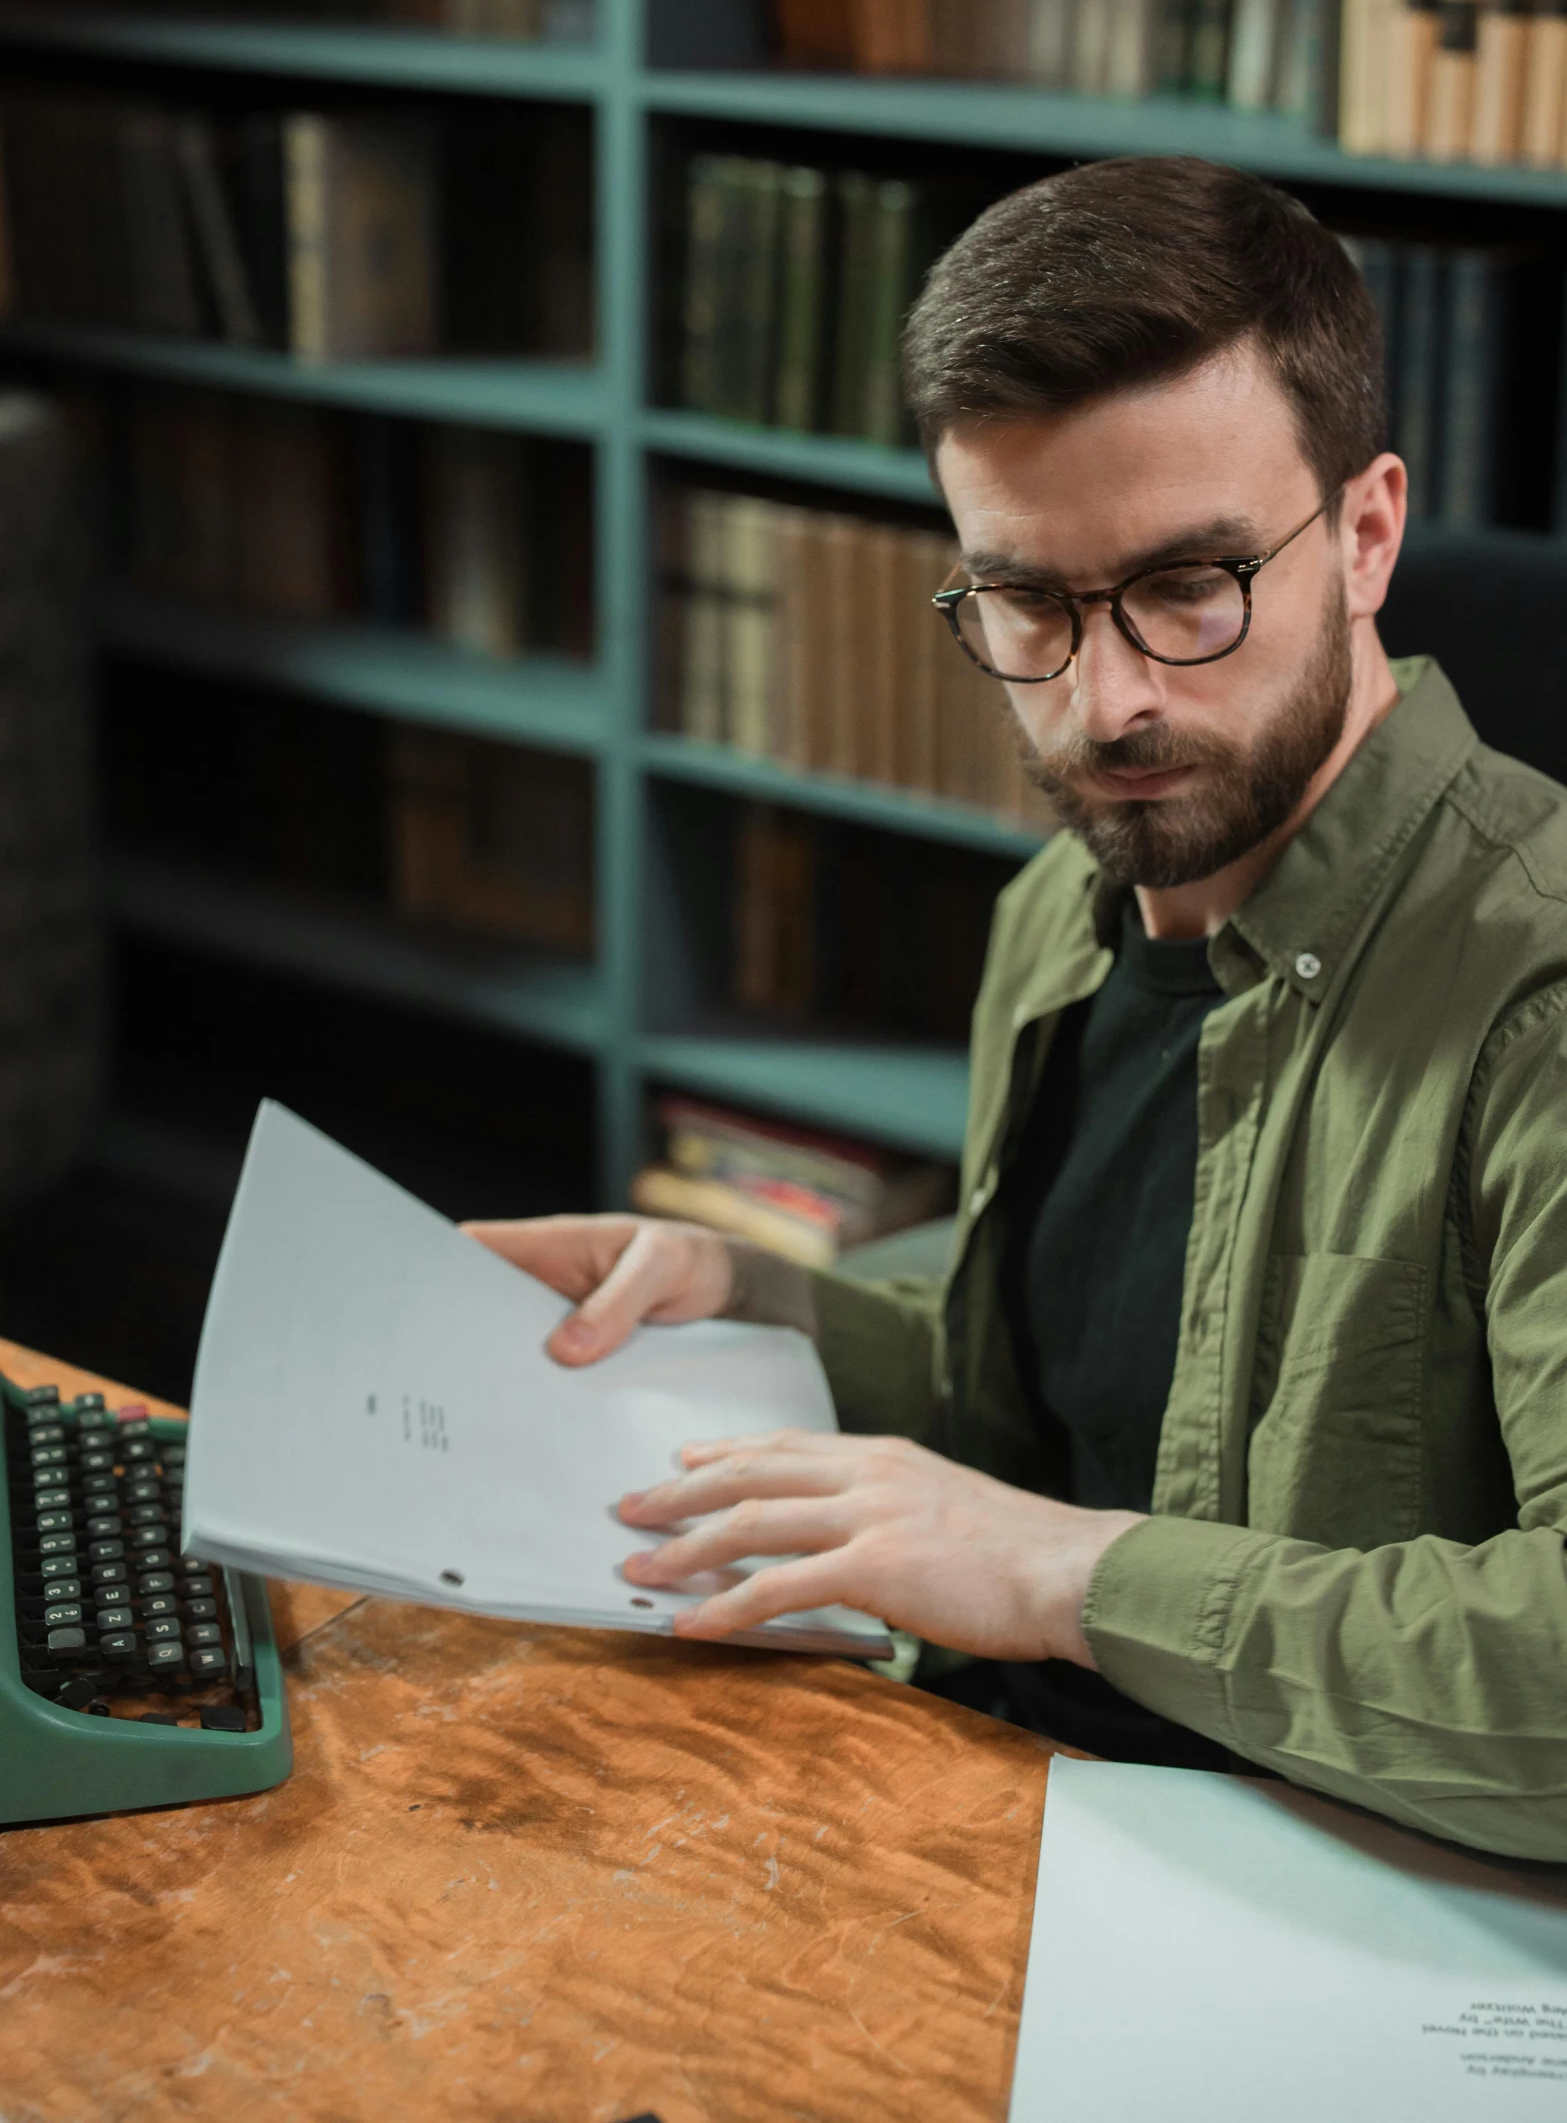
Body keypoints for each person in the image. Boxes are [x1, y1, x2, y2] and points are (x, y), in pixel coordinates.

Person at [469, 156, 1567, 1863]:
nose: (1107, 699)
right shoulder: (1056, 916)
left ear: (1364, 535)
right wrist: (760, 1306)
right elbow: (1060, 1418)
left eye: (1191, 583)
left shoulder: (1537, 993)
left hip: (1321, 1875)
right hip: (989, 1792)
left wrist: (1064, 1573)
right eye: (1027, 599)